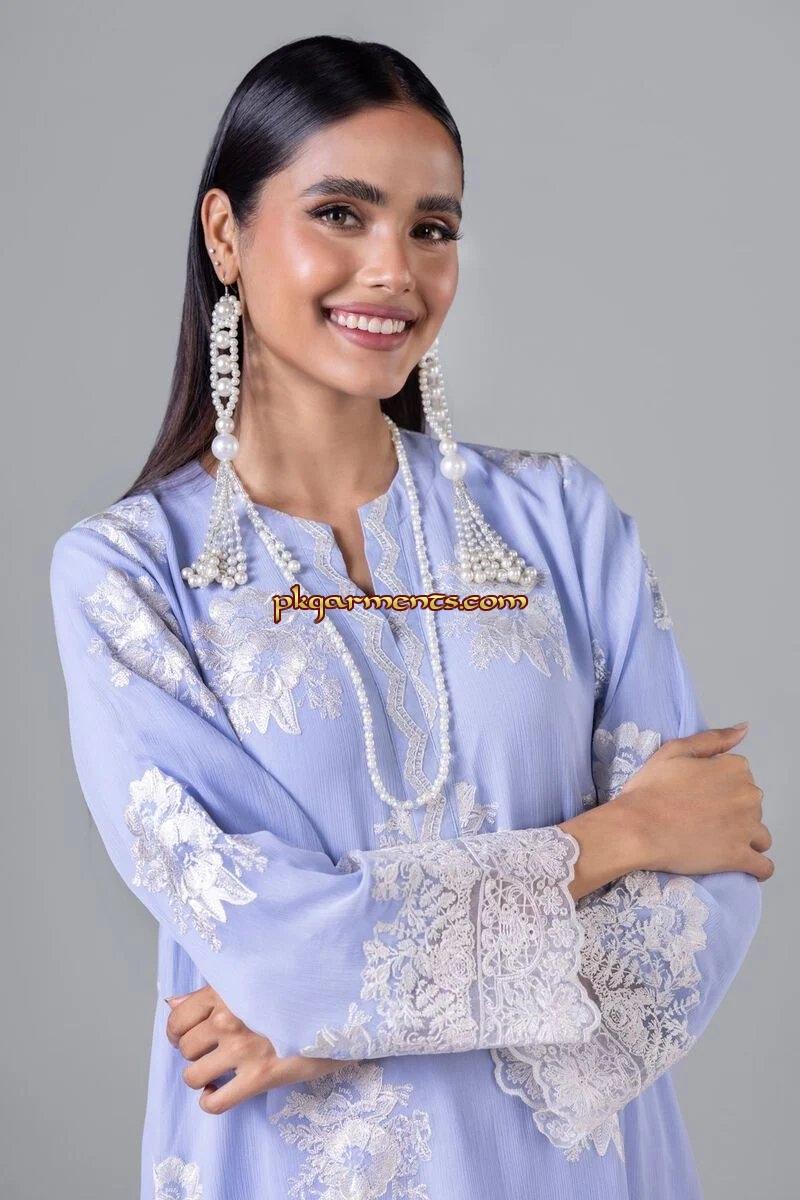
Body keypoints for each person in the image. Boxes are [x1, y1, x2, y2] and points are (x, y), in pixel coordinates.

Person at [49, 34, 773, 1200]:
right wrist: (617, 839)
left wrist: (331, 1025)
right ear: (226, 234)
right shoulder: (132, 578)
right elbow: (284, 957)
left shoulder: (559, 522)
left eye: (431, 228)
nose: (393, 269)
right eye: (341, 214)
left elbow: (696, 915)